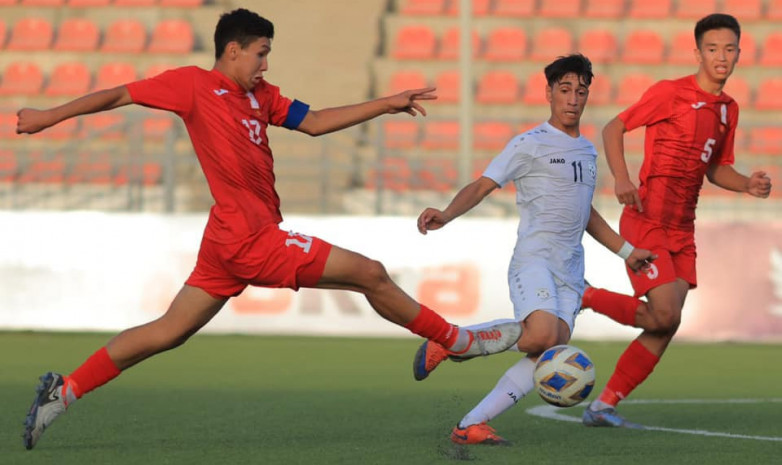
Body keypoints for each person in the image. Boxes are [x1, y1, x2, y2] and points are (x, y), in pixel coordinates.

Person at [16, 9, 523, 450]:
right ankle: (454, 340)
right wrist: (47, 116)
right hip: (250, 238)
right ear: (232, 51)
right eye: (260, 53)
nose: (265, 64)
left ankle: (67, 390)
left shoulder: (260, 95)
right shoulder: (193, 84)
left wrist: (385, 103)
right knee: (370, 272)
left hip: (227, 240)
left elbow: (317, 121)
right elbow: (118, 94)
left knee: (168, 332)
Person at [410, 54, 656, 445]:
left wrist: (626, 251)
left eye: (581, 91)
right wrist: (447, 213)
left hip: (571, 270)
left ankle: (470, 425)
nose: (573, 99)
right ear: (549, 94)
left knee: (548, 348)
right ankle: (453, 341)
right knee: (542, 335)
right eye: (565, 90)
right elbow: (483, 184)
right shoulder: (529, 144)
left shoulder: (589, 152)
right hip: (535, 259)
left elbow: (585, 213)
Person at [580, 13, 772, 429]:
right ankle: (585, 296)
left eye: (729, 49)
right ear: (698, 52)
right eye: (713, 48)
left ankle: (603, 405)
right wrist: (622, 178)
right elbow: (614, 128)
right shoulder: (670, 93)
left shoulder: (728, 110)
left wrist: (747, 185)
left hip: (684, 230)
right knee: (664, 315)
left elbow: (717, 168)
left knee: (666, 324)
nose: (722, 56)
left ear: (740, 53)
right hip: (647, 220)